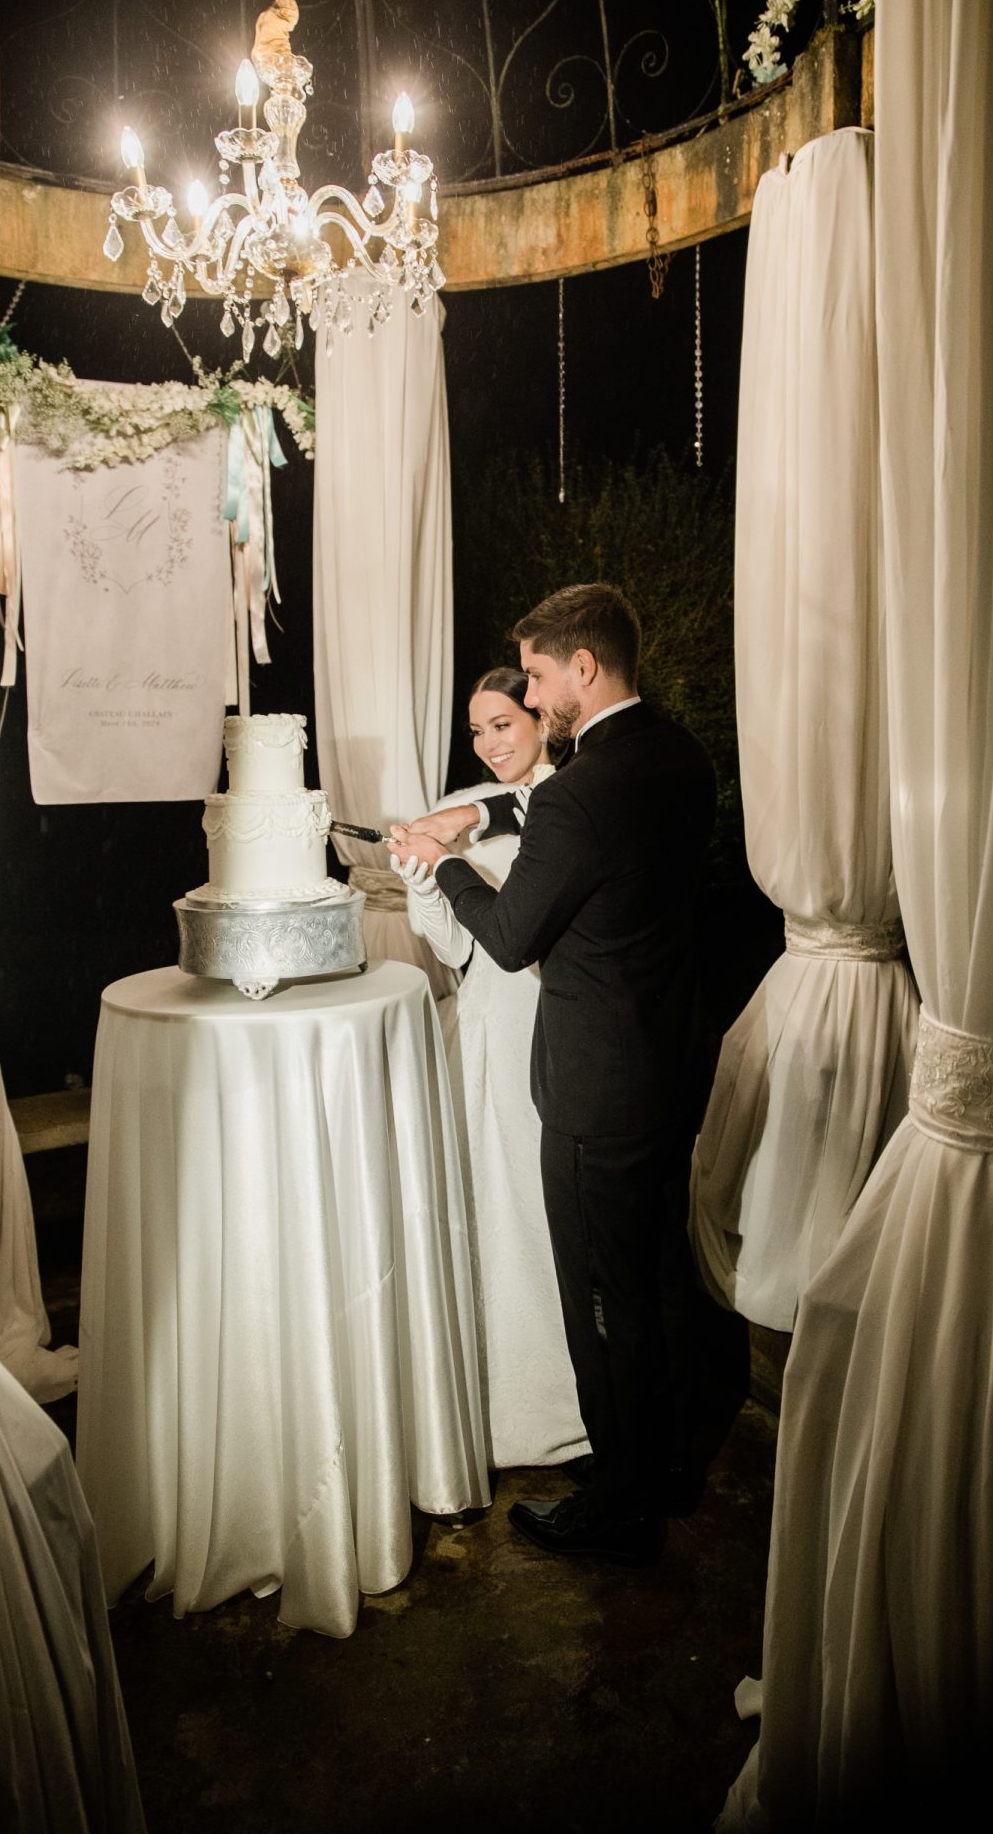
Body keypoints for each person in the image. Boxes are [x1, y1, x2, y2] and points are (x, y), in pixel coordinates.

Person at [392, 582, 750, 1565]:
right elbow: (568, 826)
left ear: (580, 668)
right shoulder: (676, 756)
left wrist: (436, 858)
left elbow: (509, 939)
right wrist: (479, 816)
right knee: (660, 1272)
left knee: (605, 1295)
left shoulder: (581, 792)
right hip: (670, 1053)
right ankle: (671, 1460)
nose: (537, 696)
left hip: (594, 1083)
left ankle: (620, 1494)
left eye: (540, 676)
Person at [396, 668, 588, 1471]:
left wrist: (457, 841)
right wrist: (427, 880)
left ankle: (559, 1403)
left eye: (504, 723)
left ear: (542, 718)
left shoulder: (563, 801)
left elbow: (534, 918)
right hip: (483, 1018)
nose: (490, 743)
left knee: (534, 1206)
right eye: (477, 730)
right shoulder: (474, 806)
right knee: (484, 1198)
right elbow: (458, 949)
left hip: (543, 1021)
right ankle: (487, 1393)